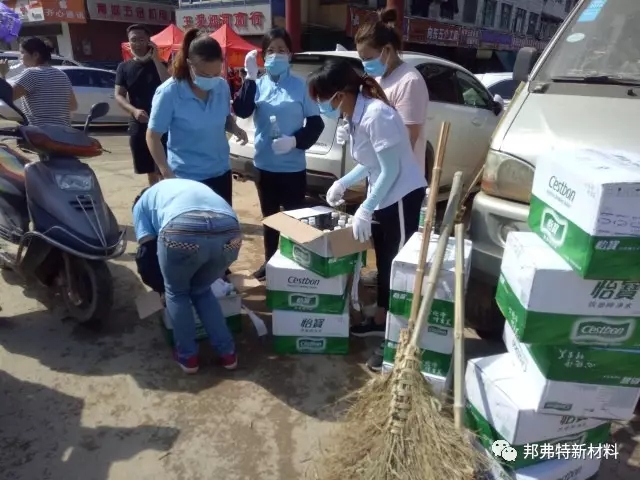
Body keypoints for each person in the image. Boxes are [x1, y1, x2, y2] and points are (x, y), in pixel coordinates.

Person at [308, 59, 426, 372]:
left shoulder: (377, 115)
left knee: (399, 269)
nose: (321, 105)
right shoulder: (354, 115)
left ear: (340, 94)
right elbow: (371, 162)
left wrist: (366, 206)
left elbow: (391, 169)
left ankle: (397, 343)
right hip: (384, 194)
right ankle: (381, 320)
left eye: (322, 98)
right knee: (384, 262)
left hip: (401, 196)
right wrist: (343, 182)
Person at [233, 28, 324, 281]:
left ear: (290, 54)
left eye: (282, 50)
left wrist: (295, 141)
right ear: (263, 56)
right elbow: (242, 110)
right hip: (265, 166)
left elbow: (316, 124)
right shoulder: (258, 84)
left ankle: (294, 266)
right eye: (271, 50)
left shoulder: (301, 86)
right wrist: (249, 78)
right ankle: (271, 264)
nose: (276, 55)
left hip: (293, 167)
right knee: (270, 219)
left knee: (294, 219)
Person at [349, 8, 430, 291]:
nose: (365, 65)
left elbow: (407, 139)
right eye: (361, 59)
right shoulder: (381, 80)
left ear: (386, 50)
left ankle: (394, 311)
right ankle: (383, 304)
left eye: (368, 58)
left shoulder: (409, 82)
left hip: (401, 185)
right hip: (382, 179)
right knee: (383, 247)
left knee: (398, 252)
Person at [133, 178, 242, 374]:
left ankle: (188, 357)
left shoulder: (140, 206)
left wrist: (161, 288)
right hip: (229, 232)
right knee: (202, 290)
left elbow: (147, 254)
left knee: (177, 293)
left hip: (182, 232)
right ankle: (228, 354)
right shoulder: (178, 188)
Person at [147, 28, 248, 206]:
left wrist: (235, 128)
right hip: (186, 177)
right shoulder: (170, 92)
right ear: (189, 64)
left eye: (215, 74)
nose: (211, 79)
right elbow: (153, 136)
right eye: (204, 74)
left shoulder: (221, 87)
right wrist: (166, 173)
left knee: (221, 221)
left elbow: (225, 118)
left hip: (220, 173)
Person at [115, 24, 170, 186]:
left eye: (141, 40)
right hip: (139, 124)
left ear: (149, 41)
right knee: (149, 170)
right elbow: (119, 95)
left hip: (163, 124)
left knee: (165, 168)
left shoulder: (161, 64)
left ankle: (167, 196)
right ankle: (155, 195)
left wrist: (156, 58)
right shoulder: (124, 67)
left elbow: (169, 84)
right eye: (133, 40)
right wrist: (134, 111)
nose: (137, 44)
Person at [0, 37, 77, 127]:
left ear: (35, 55)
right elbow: (73, 106)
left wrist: (2, 74)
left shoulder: (31, 73)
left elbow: (7, 97)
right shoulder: (62, 75)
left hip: (41, 132)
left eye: (22, 52)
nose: (20, 57)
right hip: (64, 131)